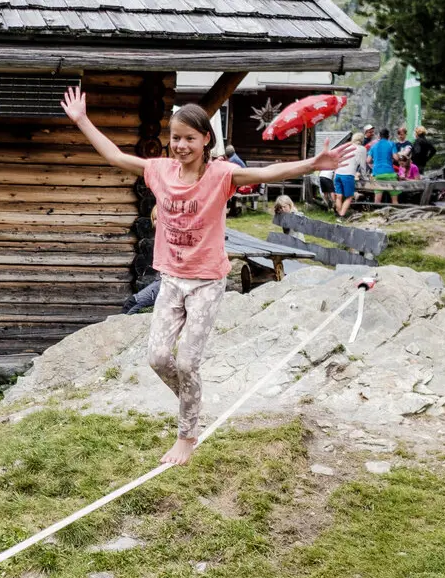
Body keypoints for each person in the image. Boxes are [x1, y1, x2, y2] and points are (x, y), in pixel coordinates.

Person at [61, 86, 354, 465]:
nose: (180, 145)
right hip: (171, 279)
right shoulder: (160, 171)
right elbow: (116, 156)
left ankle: (187, 434)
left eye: (189, 138)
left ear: (205, 140)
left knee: (187, 364)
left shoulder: (221, 175)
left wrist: (311, 164)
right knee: (157, 358)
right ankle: (191, 401)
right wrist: (82, 120)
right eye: (175, 138)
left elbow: (266, 171)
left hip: (207, 282)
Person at [333, 132, 365, 218]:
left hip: (338, 173)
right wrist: (364, 177)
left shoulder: (347, 147)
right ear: (362, 140)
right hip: (348, 174)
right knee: (349, 196)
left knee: (339, 196)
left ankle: (338, 215)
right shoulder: (362, 149)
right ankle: (342, 216)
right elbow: (362, 166)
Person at [368, 129, 399, 204]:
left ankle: (375, 214)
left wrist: (375, 161)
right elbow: (396, 158)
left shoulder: (374, 146)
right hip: (390, 174)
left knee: (377, 200)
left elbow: (368, 160)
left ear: (379, 136)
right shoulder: (391, 144)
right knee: (394, 200)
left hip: (377, 174)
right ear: (388, 136)